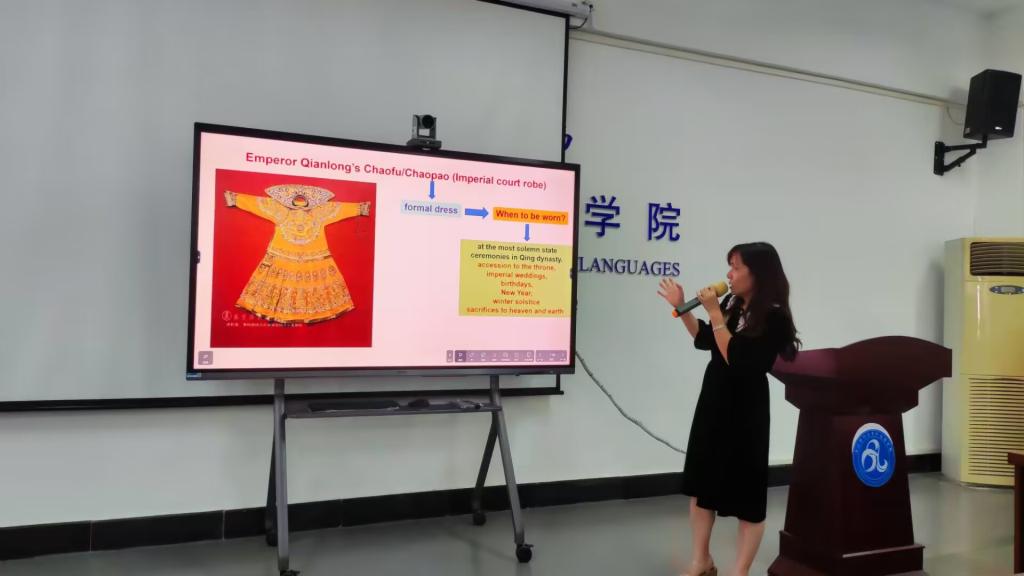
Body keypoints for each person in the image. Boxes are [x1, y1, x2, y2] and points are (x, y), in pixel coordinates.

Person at [657, 242, 800, 576]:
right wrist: (684, 309)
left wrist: (715, 314)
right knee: (702, 484)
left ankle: (740, 571)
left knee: (747, 496)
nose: (729, 275)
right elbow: (706, 340)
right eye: (730, 267)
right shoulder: (732, 305)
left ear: (757, 273)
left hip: (747, 410)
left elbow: (737, 358)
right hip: (715, 401)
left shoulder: (774, 317)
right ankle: (701, 560)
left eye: (736, 267)